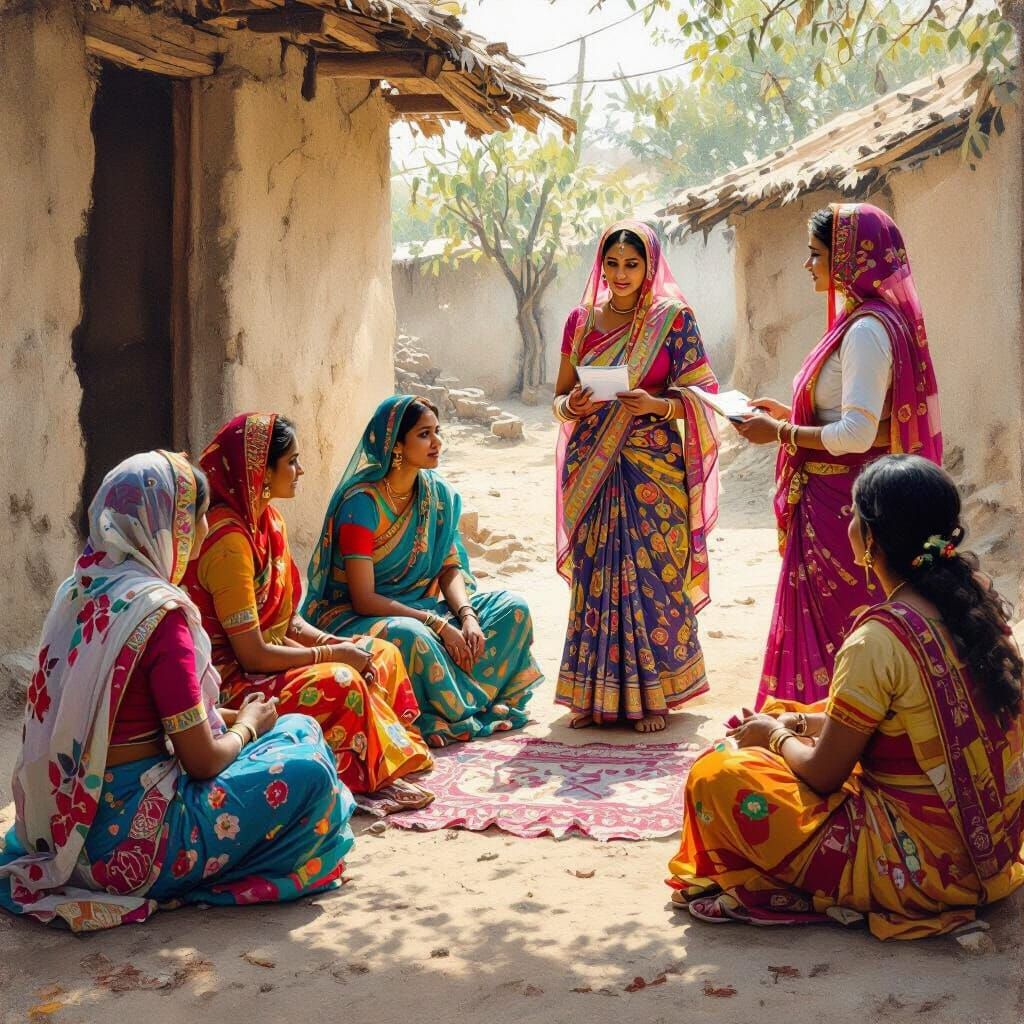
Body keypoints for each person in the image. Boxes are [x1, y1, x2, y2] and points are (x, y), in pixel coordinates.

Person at [667, 455, 1024, 940]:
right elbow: (926, 717)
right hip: (990, 851)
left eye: (854, 515)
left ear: (870, 538)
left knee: (717, 774)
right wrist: (792, 723)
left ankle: (799, 887)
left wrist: (772, 737)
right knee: (789, 712)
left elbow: (823, 773)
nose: (849, 524)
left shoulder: (879, 638)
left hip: (921, 871)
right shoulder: (974, 601)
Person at [0, 451, 352, 931]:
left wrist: (230, 716)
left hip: (62, 832)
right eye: (199, 517)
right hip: (133, 851)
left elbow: (132, 716)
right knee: (307, 757)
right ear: (169, 525)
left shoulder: (78, 592)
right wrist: (248, 726)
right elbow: (202, 761)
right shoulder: (159, 615)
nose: (205, 531)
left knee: (291, 729)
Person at [732, 203, 942, 708]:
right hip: (832, 493)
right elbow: (852, 413)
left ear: (848, 259)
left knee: (840, 615)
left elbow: (855, 432)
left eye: (817, 254)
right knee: (831, 615)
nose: (809, 265)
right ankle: (824, 721)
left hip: (841, 502)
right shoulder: (860, 321)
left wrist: (780, 432)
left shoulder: (868, 330)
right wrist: (789, 412)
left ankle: (831, 725)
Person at [182, 413, 433, 810]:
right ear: (260, 472)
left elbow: (289, 621)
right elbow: (252, 655)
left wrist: (338, 642)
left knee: (380, 652)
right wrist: (334, 655)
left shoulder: (268, 522)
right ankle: (364, 778)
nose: (301, 470)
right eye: (292, 462)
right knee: (342, 680)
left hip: (271, 659)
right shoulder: (228, 541)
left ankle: (383, 761)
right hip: (234, 683)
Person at [552, 219, 720, 733]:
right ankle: (590, 692)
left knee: (654, 578)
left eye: (632, 264)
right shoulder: (580, 322)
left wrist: (658, 405)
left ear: (650, 266)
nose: (621, 274)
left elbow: (702, 394)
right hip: (592, 468)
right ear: (600, 265)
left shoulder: (673, 321)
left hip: (654, 470)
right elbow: (558, 399)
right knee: (594, 578)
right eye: (612, 263)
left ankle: (656, 695)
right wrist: (571, 404)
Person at [303, 395, 542, 748]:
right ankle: (449, 708)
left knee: (514, 608)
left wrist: (467, 615)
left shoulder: (436, 495)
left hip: (425, 610)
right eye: (425, 434)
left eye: (438, 432)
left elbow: (450, 568)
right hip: (360, 616)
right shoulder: (361, 504)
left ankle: (462, 699)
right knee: (411, 636)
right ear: (396, 446)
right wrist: (438, 624)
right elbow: (365, 599)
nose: (437, 443)